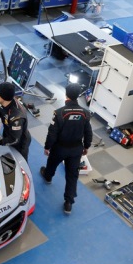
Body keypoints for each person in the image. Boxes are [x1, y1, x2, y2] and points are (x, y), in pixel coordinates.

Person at [40, 83, 92, 215]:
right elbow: (88, 132)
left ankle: (48, 176)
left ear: (66, 95)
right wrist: (86, 146)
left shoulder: (59, 113)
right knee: (72, 175)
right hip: (76, 149)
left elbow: (52, 133)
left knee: (51, 164)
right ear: (78, 95)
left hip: (60, 148)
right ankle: (68, 203)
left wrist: (47, 147)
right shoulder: (86, 113)